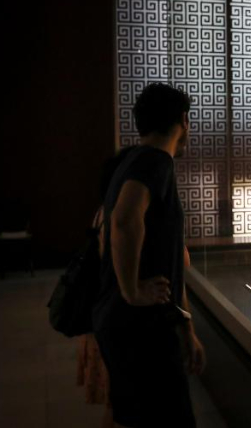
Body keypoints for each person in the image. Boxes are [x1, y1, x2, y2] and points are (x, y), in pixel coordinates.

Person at [93, 83, 205, 428]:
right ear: (183, 120)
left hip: (130, 323)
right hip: (141, 328)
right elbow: (124, 220)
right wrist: (133, 290)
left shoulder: (131, 160)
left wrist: (186, 327)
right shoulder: (155, 162)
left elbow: (166, 260)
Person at [77, 146, 134, 428]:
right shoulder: (120, 218)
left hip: (99, 318)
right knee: (121, 407)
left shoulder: (101, 212)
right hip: (117, 321)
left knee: (117, 407)